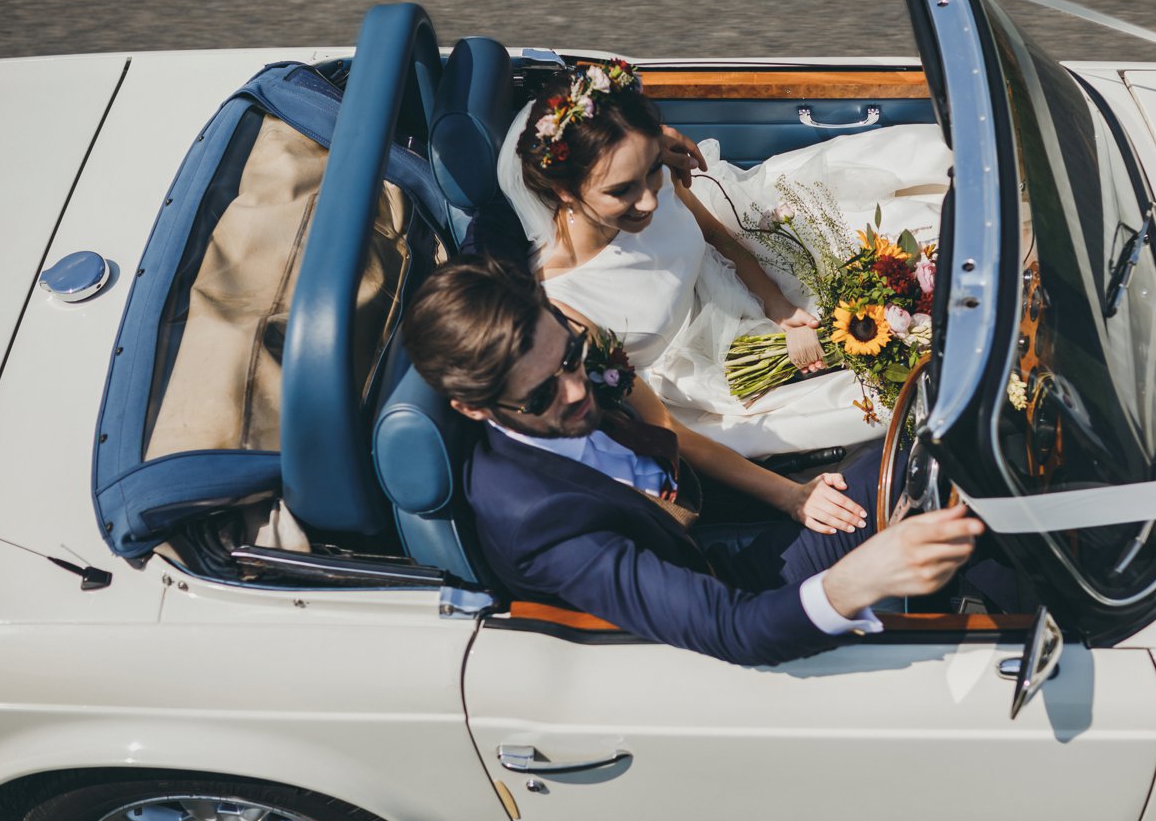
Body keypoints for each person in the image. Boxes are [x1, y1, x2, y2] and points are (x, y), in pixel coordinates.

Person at [402, 257, 984, 666]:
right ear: (473, 410)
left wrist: (790, 492)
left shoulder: (569, 368)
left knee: (927, 461)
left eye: (571, 359)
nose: (577, 391)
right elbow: (734, 628)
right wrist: (862, 578)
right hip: (723, 591)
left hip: (714, 520)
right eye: (538, 396)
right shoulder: (539, 522)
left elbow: (662, 429)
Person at [494, 60, 952, 458]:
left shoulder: (649, 181)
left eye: (651, 170)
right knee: (887, 386)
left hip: (744, 269)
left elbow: (714, 232)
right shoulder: (562, 305)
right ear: (565, 193)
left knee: (908, 223)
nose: (649, 202)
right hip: (706, 380)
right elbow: (640, 418)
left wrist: (777, 306)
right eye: (621, 191)